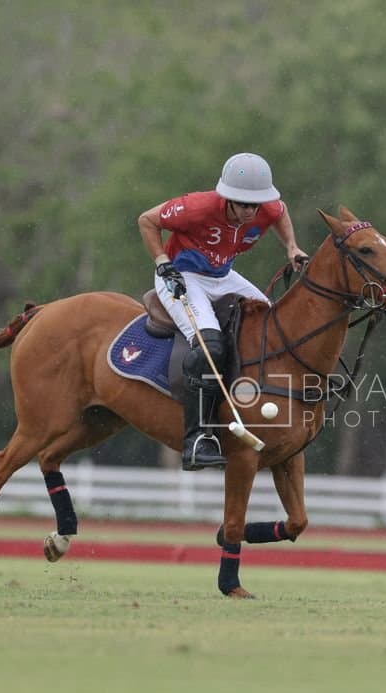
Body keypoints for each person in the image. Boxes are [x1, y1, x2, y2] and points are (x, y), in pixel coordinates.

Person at [138, 152, 308, 471]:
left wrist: (291, 247)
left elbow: (280, 212)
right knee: (209, 345)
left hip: (222, 275)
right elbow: (146, 220)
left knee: (273, 328)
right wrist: (163, 264)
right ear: (227, 197)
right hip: (183, 274)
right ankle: (197, 439)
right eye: (242, 204)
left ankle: (259, 406)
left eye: (254, 205)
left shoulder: (265, 207)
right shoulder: (197, 207)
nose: (248, 211)